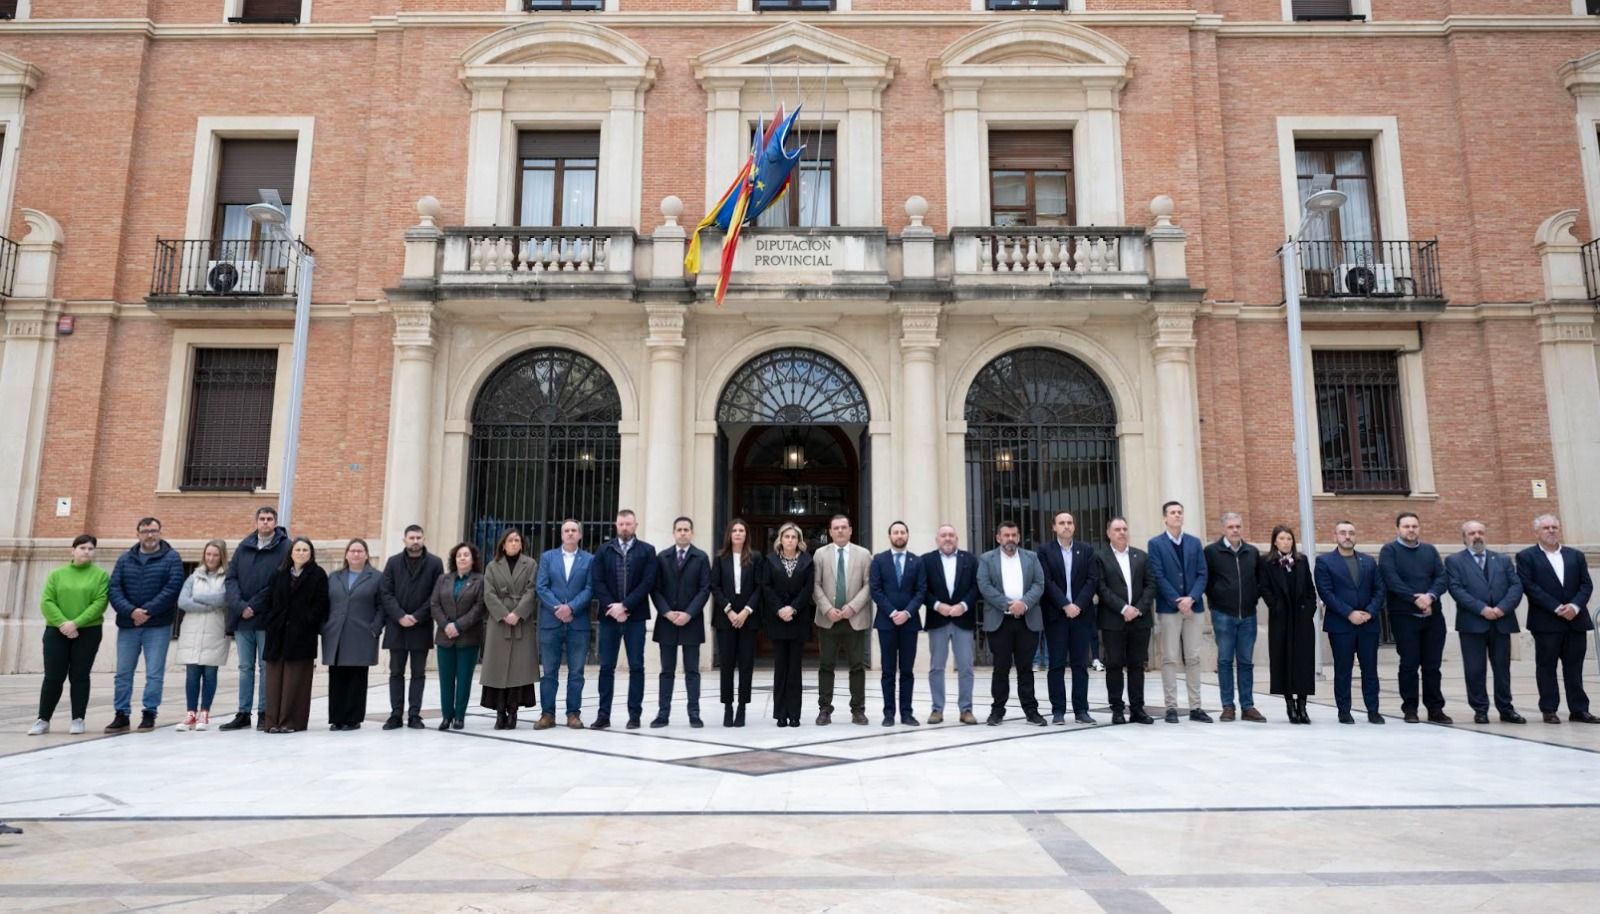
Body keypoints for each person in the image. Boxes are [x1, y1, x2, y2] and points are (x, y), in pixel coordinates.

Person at [1515, 514, 1598, 724]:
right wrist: (1556, 607)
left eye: (1554, 527)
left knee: (1574, 667)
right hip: (1546, 622)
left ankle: (1579, 709)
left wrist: (1575, 606)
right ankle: (1549, 709)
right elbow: (1529, 586)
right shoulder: (1526, 556)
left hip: (1575, 620)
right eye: (1546, 528)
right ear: (1537, 532)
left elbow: (1586, 585)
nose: (1551, 531)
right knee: (1546, 667)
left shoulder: (1575, 556)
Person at [105, 517, 185, 733]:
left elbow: (173, 588)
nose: (150, 535)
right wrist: (131, 611)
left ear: (160, 532)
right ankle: (121, 714)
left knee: (154, 673)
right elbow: (114, 589)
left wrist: (147, 611)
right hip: (129, 624)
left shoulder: (172, 558)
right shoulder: (124, 559)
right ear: (138, 533)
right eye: (145, 531)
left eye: (154, 530)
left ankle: (149, 712)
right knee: (123, 672)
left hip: (157, 625)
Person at [1446, 520, 1525, 725]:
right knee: (1474, 669)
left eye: (1480, 532)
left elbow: (1515, 587)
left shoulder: (1502, 559)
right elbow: (1456, 590)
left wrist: (1501, 609)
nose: (1477, 536)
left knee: (1502, 669)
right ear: (1464, 537)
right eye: (1472, 533)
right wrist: (1482, 609)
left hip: (1502, 621)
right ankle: (1480, 709)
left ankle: (1506, 709)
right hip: (1472, 623)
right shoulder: (1454, 561)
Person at [29, 534, 108, 737]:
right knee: (53, 677)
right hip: (56, 630)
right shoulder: (57, 575)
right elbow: (47, 601)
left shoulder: (100, 576)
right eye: (82, 548)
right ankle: (43, 719)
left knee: (80, 676)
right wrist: (64, 623)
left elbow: (100, 603)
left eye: (90, 549)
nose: (86, 552)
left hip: (88, 631)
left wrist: (76, 623)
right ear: (72, 551)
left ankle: (78, 718)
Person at [1379, 512, 1452, 724]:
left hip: (1432, 616)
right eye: (1406, 526)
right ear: (1398, 529)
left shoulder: (1429, 551)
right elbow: (1391, 579)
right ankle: (1410, 708)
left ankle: (1435, 709)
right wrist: (1415, 599)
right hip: (1404, 616)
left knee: (1432, 666)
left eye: (1414, 526)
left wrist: (1429, 596)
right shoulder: (1389, 551)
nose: (1411, 530)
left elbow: (1441, 577)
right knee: (1409, 664)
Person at [222, 506, 290, 731]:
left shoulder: (284, 547)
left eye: (270, 519)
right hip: (243, 619)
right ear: (256, 521)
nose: (265, 522)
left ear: (275, 522)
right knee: (244, 666)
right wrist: (240, 606)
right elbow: (231, 578)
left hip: (266, 618)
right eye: (262, 519)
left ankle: (264, 712)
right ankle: (243, 713)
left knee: (264, 666)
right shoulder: (244, 546)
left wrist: (254, 605)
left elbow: (278, 581)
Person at [591, 509, 658, 730]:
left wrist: (626, 605)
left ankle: (635, 715)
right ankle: (603, 715)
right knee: (606, 667)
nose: (625, 528)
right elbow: (597, 581)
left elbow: (648, 582)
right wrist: (613, 606)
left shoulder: (647, 551)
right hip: (610, 617)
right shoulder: (604, 550)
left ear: (635, 525)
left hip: (635, 617)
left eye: (628, 524)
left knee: (636, 666)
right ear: (616, 525)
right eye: (621, 524)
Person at [1315, 520, 1386, 725]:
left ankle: (1373, 710)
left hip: (1368, 624)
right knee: (1343, 669)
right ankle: (1344, 711)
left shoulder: (1368, 561)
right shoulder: (1325, 562)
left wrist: (1370, 612)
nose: (1348, 536)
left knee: (1370, 669)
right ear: (1335, 536)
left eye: (1351, 533)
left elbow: (1379, 590)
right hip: (1341, 625)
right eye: (1343, 533)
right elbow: (1326, 592)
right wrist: (1349, 613)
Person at [977, 520, 1047, 726]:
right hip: (1000, 620)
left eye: (1014, 535)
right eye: (1006, 535)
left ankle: (1031, 711)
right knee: (1001, 668)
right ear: (998, 538)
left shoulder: (1031, 558)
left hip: (1027, 620)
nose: (1010, 539)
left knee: (1026, 668)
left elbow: (1039, 583)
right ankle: (997, 710)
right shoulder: (986, 559)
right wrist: (1007, 604)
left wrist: (1024, 604)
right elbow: (984, 585)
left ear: (1018, 537)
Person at [1147, 501, 1211, 724]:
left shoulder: (1194, 543)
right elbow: (1157, 575)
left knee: (1193, 658)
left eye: (1179, 513)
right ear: (1165, 518)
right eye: (1172, 513)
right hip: (1169, 608)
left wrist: (1191, 598)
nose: (1177, 516)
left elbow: (1203, 573)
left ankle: (1196, 707)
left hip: (1194, 607)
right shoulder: (1155, 544)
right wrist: (1177, 600)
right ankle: (1171, 707)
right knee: (1170, 658)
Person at [1037, 511, 1101, 725]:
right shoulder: (1045, 551)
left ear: (1074, 526)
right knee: (1056, 665)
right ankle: (1058, 710)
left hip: (1081, 616)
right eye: (1061, 523)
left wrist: (1077, 605)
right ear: (1054, 527)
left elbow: (1092, 580)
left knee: (1080, 665)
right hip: (1056, 616)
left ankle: (1081, 710)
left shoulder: (1087, 550)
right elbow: (1046, 581)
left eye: (1070, 522)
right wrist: (1065, 605)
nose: (1066, 526)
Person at [260, 537, 329, 733]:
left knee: (295, 681)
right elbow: (268, 600)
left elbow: (321, 604)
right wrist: (270, 620)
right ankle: (272, 722)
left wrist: (307, 621)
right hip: (277, 635)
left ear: (311, 553)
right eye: (297, 549)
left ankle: (291, 722)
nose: (301, 553)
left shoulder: (318, 575)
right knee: (274, 681)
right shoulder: (279, 574)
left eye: (305, 550)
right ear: (291, 553)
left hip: (302, 636)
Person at [379, 525, 442, 730]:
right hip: (397, 627)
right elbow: (386, 593)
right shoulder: (393, 562)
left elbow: (436, 594)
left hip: (420, 626)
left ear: (423, 539)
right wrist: (399, 616)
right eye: (411, 537)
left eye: (418, 537)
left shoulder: (434, 563)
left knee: (418, 673)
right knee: (395, 672)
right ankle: (396, 714)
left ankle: (415, 714)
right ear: (404, 539)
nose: (415, 541)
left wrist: (416, 616)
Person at [812, 514, 873, 726]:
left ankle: (858, 710)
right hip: (828, 620)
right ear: (829, 531)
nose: (839, 531)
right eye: (835, 528)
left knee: (857, 667)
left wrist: (852, 607)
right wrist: (828, 609)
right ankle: (824, 709)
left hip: (854, 620)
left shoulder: (864, 554)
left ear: (850, 530)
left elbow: (869, 585)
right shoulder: (819, 554)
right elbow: (815, 585)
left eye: (843, 527)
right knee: (826, 666)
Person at [1204, 512, 1263, 722]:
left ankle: (1248, 706)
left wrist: (1252, 600)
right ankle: (1228, 706)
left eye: (1238, 526)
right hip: (1223, 615)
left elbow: (1259, 581)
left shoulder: (1252, 552)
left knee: (1246, 662)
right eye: (1230, 527)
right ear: (1223, 529)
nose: (1235, 530)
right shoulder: (1212, 552)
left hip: (1248, 615)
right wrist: (1215, 602)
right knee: (1225, 661)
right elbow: (1207, 581)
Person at [535, 520, 594, 729]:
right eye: (566, 530)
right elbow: (541, 587)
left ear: (580, 535)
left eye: (574, 530)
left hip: (578, 624)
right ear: (561, 535)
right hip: (551, 623)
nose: (570, 534)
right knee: (549, 672)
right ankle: (547, 714)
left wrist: (571, 608)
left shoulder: (589, 560)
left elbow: (589, 589)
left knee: (576, 672)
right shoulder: (547, 558)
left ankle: (573, 714)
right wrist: (558, 608)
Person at [1096, 517, 1155, 725]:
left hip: (1140, 620)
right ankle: (1117, 709)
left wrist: (1137, 609)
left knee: (1137, 665)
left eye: (1124, 529)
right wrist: (1123, 608)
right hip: (1113, 620)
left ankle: (1137, 708)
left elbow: (1150, 585)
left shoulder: (1142, 556)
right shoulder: (1100, 558)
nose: (1122, 532)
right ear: (1108, 533)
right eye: (1117, 529)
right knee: (1114, 665)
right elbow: (1101, 588)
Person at [652, 517, 710, 728]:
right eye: (679, 529)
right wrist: (666, 612)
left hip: (691, 623)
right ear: (674, 532)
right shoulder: (662, 557)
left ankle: (694, 713)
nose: (683, 533)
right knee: (666, 671)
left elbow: (705, 589)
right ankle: (662, 714)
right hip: (667, 622)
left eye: (686, 530)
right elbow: (655, 589)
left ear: (692, 533)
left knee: (692, 671)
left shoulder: (701, 557)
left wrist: (688, 614)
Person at [323, 539, 384, 731]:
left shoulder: (376, 577)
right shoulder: (334, 577)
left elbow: (382, 606)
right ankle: (337, 718)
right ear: (346, 554)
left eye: (360, 551)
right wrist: (324, 626)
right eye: (352, 551)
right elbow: (324, 603)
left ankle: (353, 718)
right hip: (336, 633)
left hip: (362, 633)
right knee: (337, 676)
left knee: (357, 677)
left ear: (366, 555)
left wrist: (375, 628)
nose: (356, 554)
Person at [921, 524, 979, 725]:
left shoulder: (970, 560)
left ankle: (966, 709)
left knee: (966, 667)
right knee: (937, 667)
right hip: (938, 620)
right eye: (943, 535)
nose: (947, 539)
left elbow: (976, 587)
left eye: (951, 535)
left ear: (957, 539)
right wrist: (937, 605)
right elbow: (922, 589)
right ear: (937, 539)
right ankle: (937, 709)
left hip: (963, 620)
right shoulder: (926, 561)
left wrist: (963, 605)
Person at [481, 529, 539, 730]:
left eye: (517, 540)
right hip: (499, 623)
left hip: (521, 622)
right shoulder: (491, 566)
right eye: (510, 540)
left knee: (519, 669)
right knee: (497, 668)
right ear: (503, 544)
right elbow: (488, 594)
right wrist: (504, 614)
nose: (514, 543)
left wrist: (518, 613)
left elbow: (532, 591)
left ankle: (513, 711)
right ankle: (499, 711)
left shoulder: (530, 564)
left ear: (522, 544)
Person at [870, 521, 926, 727]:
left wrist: (907, 613)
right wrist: (893, 612)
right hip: (887, 622)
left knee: (907, 671)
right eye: (896, 532)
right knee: (887, 670)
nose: (899, 535)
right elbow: (875, 590)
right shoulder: (879, 560)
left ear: (907, 535)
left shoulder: (917, 561)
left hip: (910, 624)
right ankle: (888, 713)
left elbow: (921, 591)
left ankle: (907, 713)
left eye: (902, 532)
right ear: (890, 536)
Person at [1261, 525, 1316, 724]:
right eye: (1282, 538)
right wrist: (1275, 607)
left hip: (1301, 619)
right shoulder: (1267, 563)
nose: (1286, 542)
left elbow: (1311, 590)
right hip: (1281, 619)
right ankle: (1290, 705)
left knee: (1303, 662)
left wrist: (1308, 611)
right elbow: (1265, 588)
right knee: (1283, 660)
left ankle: (1303, 705)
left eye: (1289, 539)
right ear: (1275, 541)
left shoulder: (1302, 562)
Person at [174, 539, 231, 732]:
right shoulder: (193, 577)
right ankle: (191, 713)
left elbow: (224, 599)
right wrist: (209, 605)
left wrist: (197, 598)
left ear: (221, 556)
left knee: (209, 673)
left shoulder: (227, 577)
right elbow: (182, 601)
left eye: (215, 555)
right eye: (208, 554)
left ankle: (205, 712)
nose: (211, 558)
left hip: (215, 630)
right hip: (192, 629)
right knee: (192, 673)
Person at [711, 518, 761, 727]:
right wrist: (730, 611)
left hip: (748, 619)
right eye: (735, 531)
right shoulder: (720, 558)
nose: (738, 534)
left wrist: (746, 611)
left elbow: (760, 587)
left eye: (742, 530)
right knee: (727, 665)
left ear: (746, 534)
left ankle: (742, 707)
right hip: (726, 619)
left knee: (746, 665)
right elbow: (715, 586)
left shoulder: (756, 558)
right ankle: (728, 707)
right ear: (729, 535)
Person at [763, 522, 813, 727]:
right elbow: (766, 587)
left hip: (797, 619)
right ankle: (780, 714)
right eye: (787, 537)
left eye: (794, 537)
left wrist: (792, 608)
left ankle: (795, 714)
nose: (790, 540)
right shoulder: (770, 560)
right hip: (778, 620)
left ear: (798, 540)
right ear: (780, 539)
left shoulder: (807, 561)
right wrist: (780, 609)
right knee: (780, 668)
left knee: (795, 670)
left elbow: (808, 589)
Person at [432, 542, 486, 731]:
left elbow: (479, 608)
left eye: (466, 555)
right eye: (459, 555)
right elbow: (434, 604)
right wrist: (446, 625)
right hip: (445, 636)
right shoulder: (443, 579)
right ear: (454, 559)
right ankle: (447, 716)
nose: (462, 558)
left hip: (468, 637)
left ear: (473, 560)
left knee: (463, 679)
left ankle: (459, 716)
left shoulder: (480, 580)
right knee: (446, 680)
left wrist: (459, 625)